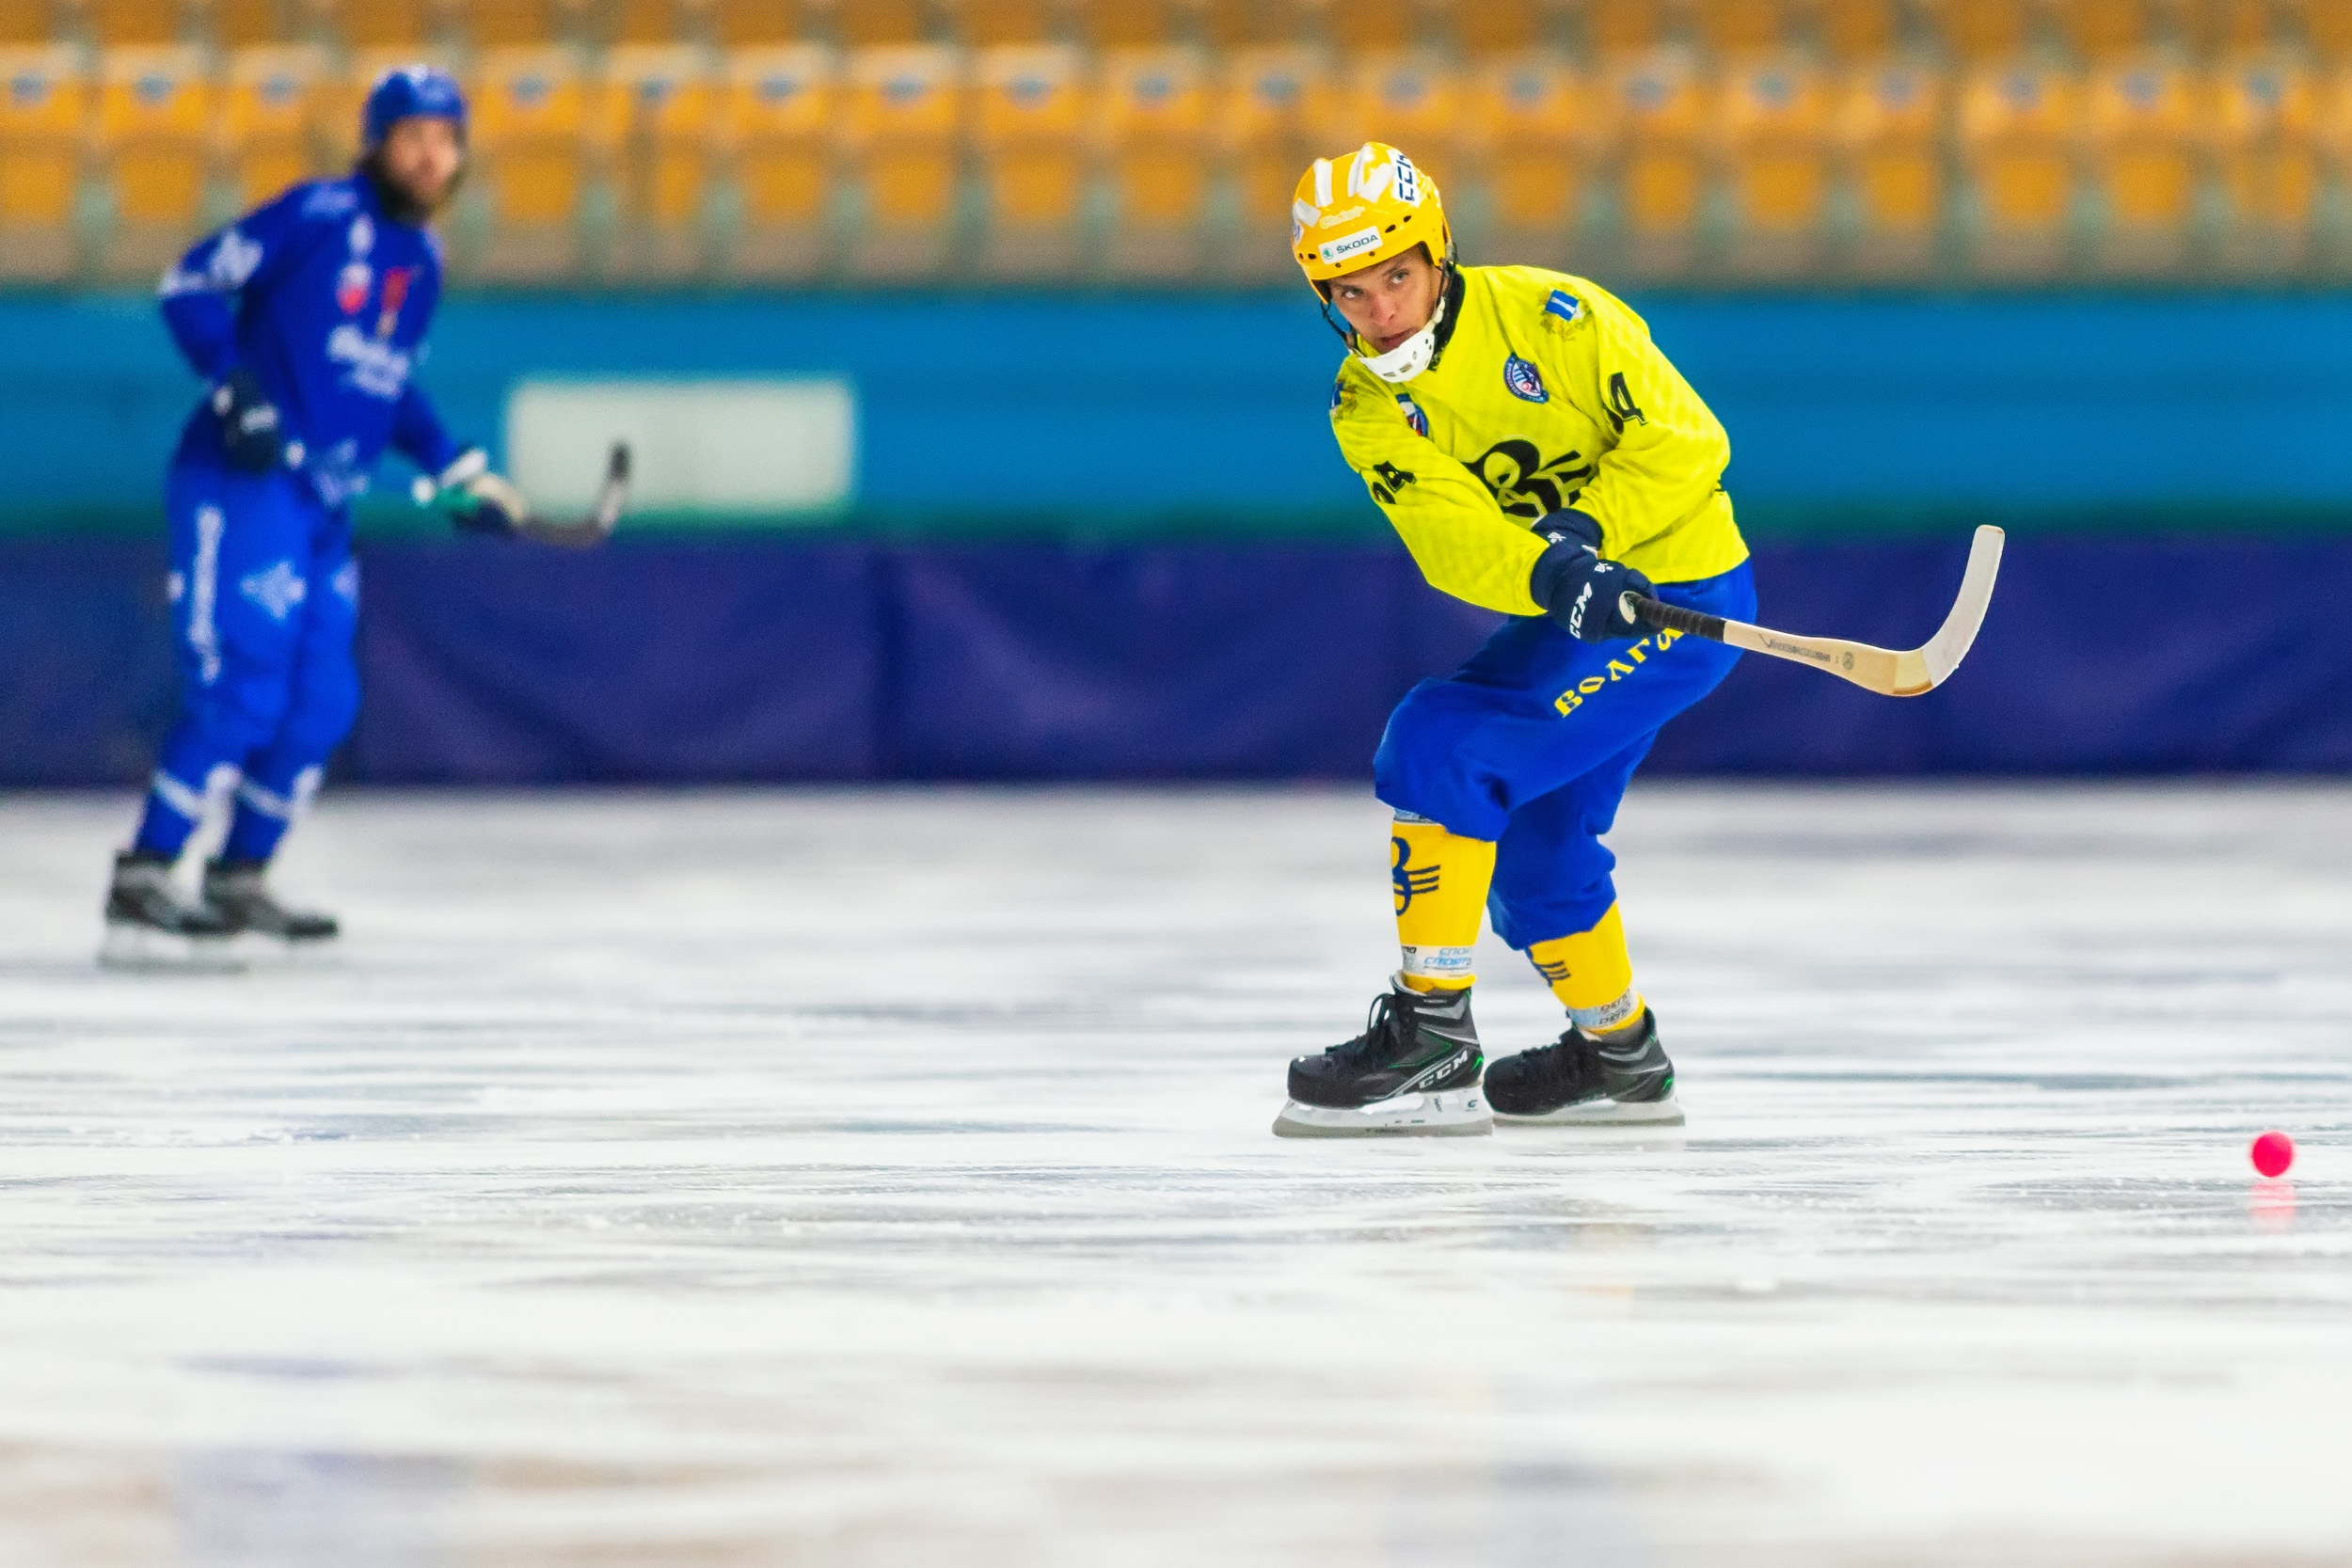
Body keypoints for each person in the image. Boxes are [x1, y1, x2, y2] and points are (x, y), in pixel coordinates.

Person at [1274, 143, 1755, 1138]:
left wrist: (1586, 534)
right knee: (1539, 843)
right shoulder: (1365, 404)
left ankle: (1431, 1032)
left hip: (1678, 597)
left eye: (1396, 277)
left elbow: (1686, 441)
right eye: (1350, 294)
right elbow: (1453, 538)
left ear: (1438, 250)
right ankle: (1619, 1051)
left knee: (1442, 738)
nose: (1382, 313)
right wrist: (1553, 573)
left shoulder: (1554, 315)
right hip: (1576, 606)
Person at [101, 66, 532, 969]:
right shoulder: (317, 216)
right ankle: (142, 884)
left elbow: (385, 385)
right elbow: (187, 283)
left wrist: (457, 466)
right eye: (412, 133)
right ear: (376, 142)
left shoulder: (425, 262)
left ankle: (239, 877)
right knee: (243, 685)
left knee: (322, 700)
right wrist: (237, 390)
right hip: (241, 484)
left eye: (445, 137)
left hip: (323, 505)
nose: (429, 152)